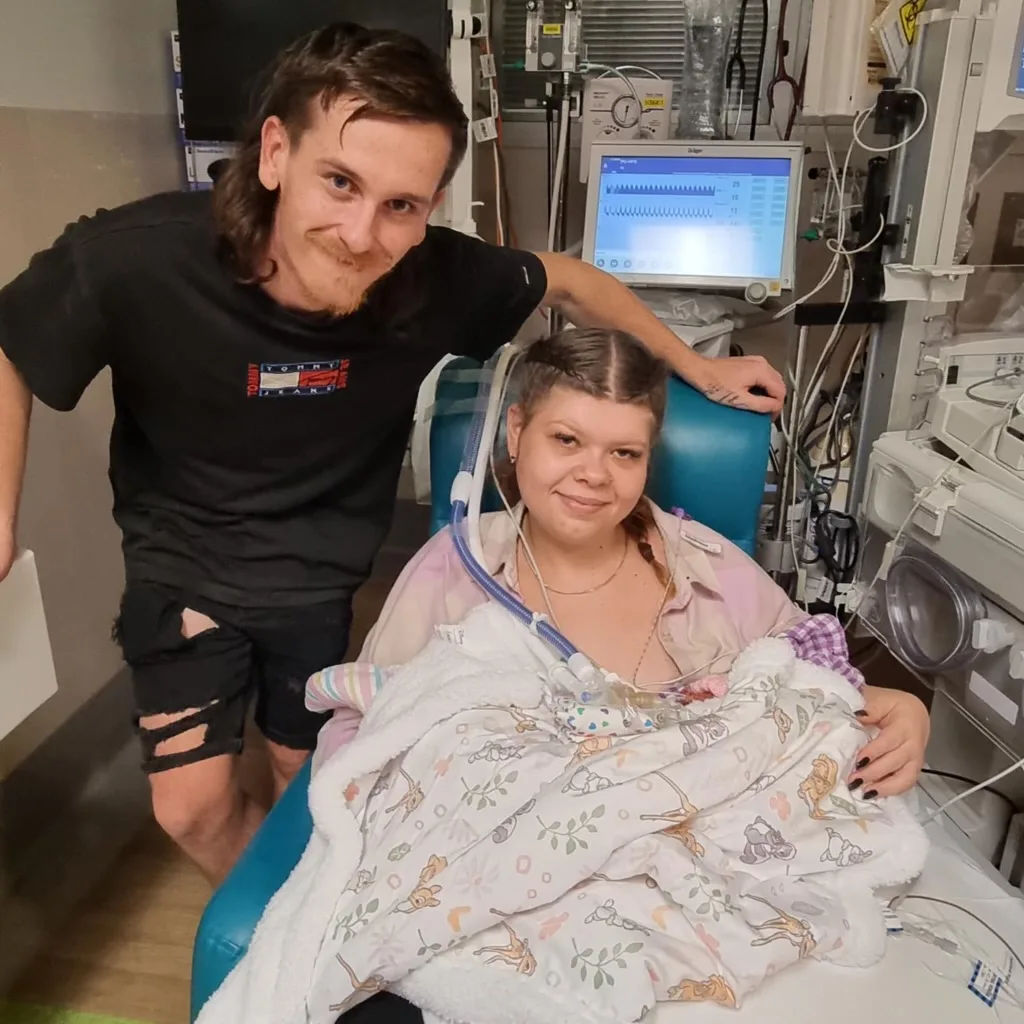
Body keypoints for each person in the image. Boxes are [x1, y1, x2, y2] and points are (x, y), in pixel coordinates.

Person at [0, 23, 785, 885]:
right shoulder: (139, 259)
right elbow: (11, 343)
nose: (360, 233)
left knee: (314, 777)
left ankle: (314, 925)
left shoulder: (428, 275)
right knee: (189, 809)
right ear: (273, 154)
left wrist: (698, 366)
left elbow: (569, 280)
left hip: (320, 566)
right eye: (339, 182)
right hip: (182, 564)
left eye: (401, 206)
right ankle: (275, 921)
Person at [315, 326, 930, 1024]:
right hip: (502, 885)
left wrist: (900, 705)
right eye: (566, 441)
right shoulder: (456, 570)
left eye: (624, 453)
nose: (593, 474)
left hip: (685, 888)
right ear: (516, 433)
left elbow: (804, 689)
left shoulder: (706, 567)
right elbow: (365, 736)